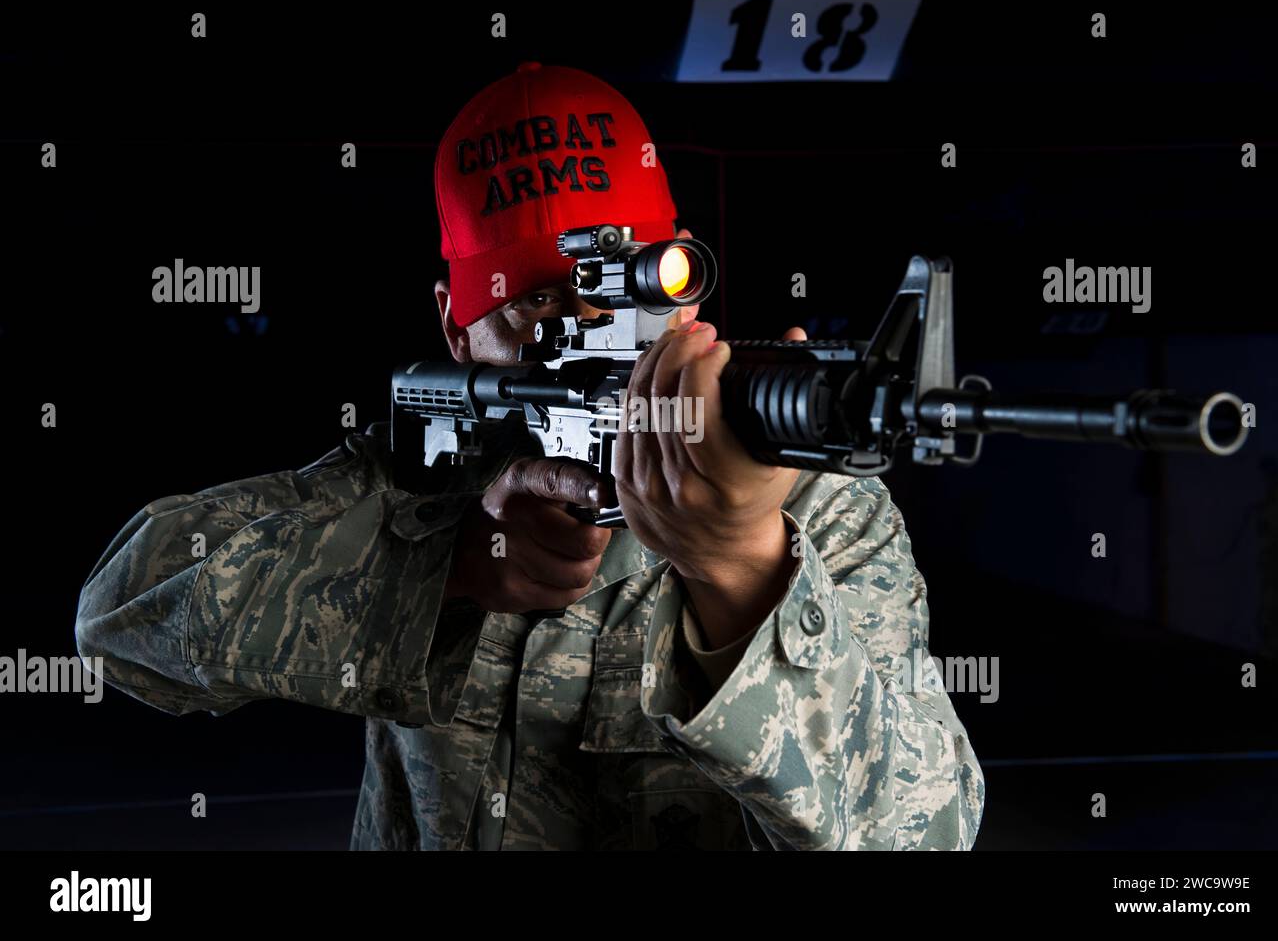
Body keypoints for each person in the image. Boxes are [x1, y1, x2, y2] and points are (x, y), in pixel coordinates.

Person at [75, 62, 983, 850]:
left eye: (623, 301)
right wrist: (442, 568)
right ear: (456, 330)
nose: (596, 341)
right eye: (535, 312)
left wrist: (744, 572)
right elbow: (117, 618)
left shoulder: (815, 512)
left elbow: (923, 831)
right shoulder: (429, 476)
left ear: (683, 290)